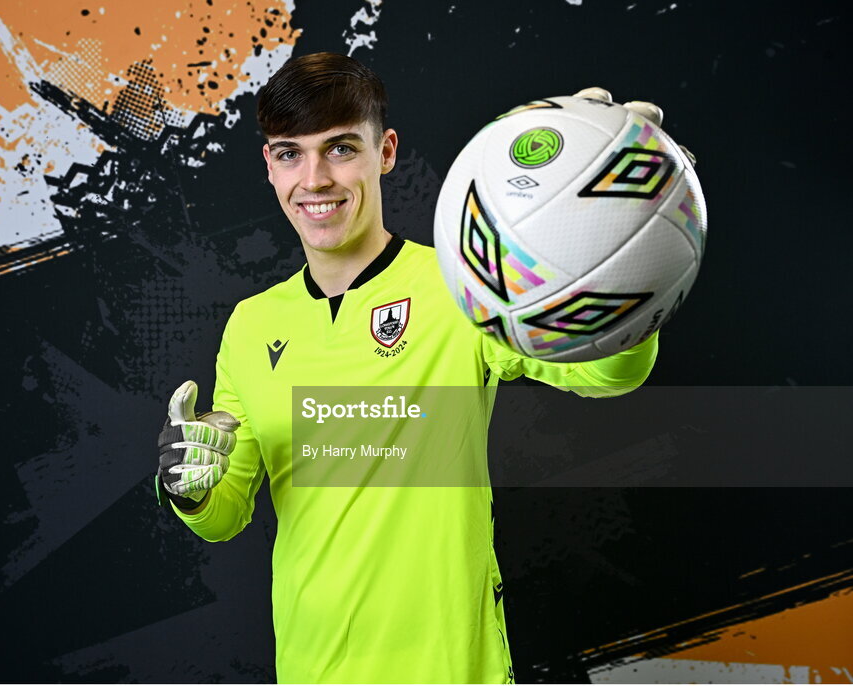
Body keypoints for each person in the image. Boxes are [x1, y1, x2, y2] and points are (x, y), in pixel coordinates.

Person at [155, 53, 661, 683]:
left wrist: (632, 252)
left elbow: (610, 374)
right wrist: (192, 487)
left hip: (451, 665)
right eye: (290, 153)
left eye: (340, 149)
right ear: (269, 165)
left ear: (385, 151)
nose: (314, 179)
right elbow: (226, 513)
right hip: (313, 667)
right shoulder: (252, 325)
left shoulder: (461, 284)